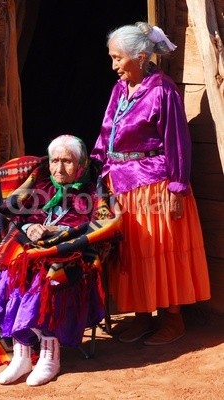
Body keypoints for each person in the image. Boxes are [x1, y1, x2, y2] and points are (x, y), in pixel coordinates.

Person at [90, 22, 211, 345]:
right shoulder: (120, 90)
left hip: (154, 184)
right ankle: (141, 315)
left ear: (141, 57)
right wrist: (96, 170)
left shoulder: (162, 91)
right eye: (112, 58)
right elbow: (106, 135)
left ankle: (172, 319)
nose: (114, 66)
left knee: (160, 253)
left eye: (118, 58)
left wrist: (177, 188)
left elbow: (177, 143)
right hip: (120, 183)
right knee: (130, 254)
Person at [0, 135, 106, 386]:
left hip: (71, 254)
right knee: (9, 267)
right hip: (33, 250)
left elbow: (96, 225)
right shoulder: (41, 187)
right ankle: (22, 355)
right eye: (55, 161)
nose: (59, 168)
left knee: (47, 275)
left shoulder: (91, 191)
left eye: (67, 161)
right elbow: (14, 216)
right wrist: (29, 228)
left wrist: (57, 233)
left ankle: (49, 356)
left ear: (80, 165)